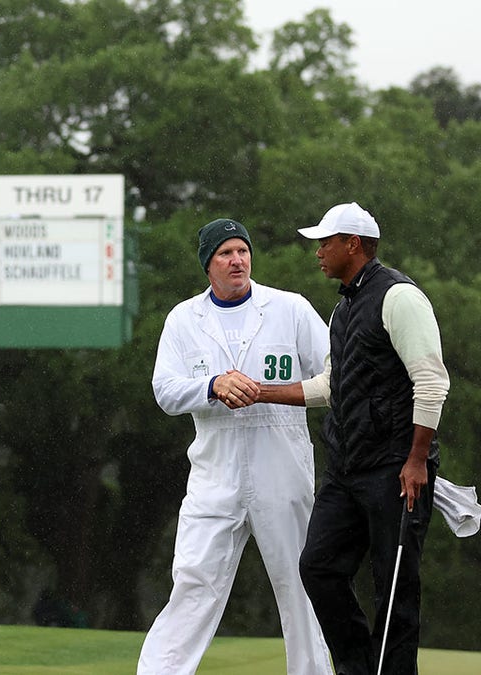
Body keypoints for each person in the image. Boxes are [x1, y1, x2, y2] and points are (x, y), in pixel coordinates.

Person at [249, 202, 450, 675]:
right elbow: (329, 386)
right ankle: (359, 668)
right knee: (318, 567)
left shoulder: (399, 297)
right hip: (346, 471)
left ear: (352, 245)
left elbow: (432, 381)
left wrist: (417, 459)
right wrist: (262, 392)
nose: (318, 252)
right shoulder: (344, 307)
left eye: (325, 242)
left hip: (397, 469)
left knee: (394, 587)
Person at [139, 218, 333, 674]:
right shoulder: (184, 319)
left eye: (242, 251)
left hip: (282, 467)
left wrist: (272, 391)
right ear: (208, 264)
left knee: (301, 584)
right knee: (193, 582)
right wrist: (212, 385)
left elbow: (335, 374)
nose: (237, 260)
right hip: (214, 473)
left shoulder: (290, 308)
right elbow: (165, 390)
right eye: (225, 253)